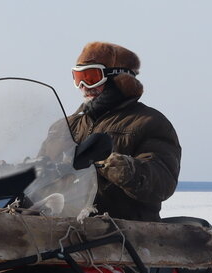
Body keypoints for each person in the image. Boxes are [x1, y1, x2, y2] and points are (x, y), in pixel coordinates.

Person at [68, 42, 181, 222]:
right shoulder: (68, 125)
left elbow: (163, 180)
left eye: (90, 77)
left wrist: (126, 169)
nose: (83, 86)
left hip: (122, 231)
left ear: (118, 78)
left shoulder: (149, 122)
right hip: (63, 224)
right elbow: (42, 165)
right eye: (78, 77)